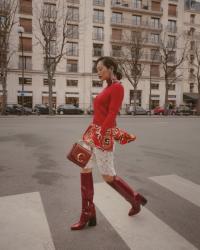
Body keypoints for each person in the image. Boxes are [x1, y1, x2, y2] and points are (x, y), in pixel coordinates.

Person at [70, 56, 147, 231]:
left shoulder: (117, 88)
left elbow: (112, 115)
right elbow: (100, 113)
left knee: (108, 177)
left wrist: (99, 133)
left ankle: (134, 199)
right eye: (97, 69)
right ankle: (87, 213)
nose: (98, 72)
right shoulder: (107, 87)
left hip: (104, 134)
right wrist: (92, 132)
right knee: (84, 167)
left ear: (111, 68)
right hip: (93, 132)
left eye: (101, 68)